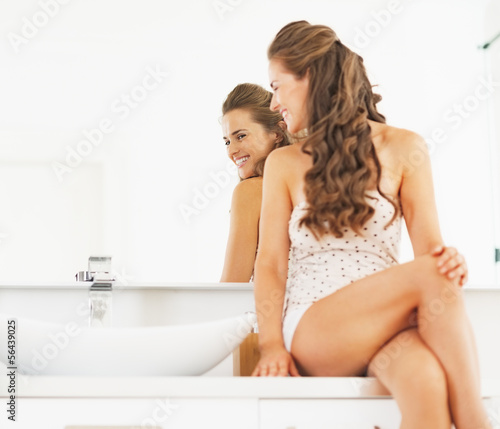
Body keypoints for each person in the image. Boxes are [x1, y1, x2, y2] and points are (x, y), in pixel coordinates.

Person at [252, 20, 491, 429]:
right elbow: (271, 264)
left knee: (426, 383)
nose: (273, 104)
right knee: (434, 274)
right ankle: (478, 424)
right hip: (315, 328)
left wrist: (450, 262)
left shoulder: (405, 147)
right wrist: (270, 344)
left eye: (276, 86)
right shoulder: (284, 163)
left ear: (308, 76)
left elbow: (431, 253)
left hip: (386, 325)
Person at [219, 83, 289, 282]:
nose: (231, 151)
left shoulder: (250, 191)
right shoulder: (306, 187)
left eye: (241, 136)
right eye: (227, 141)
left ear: (277, 133)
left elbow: (230, 287)